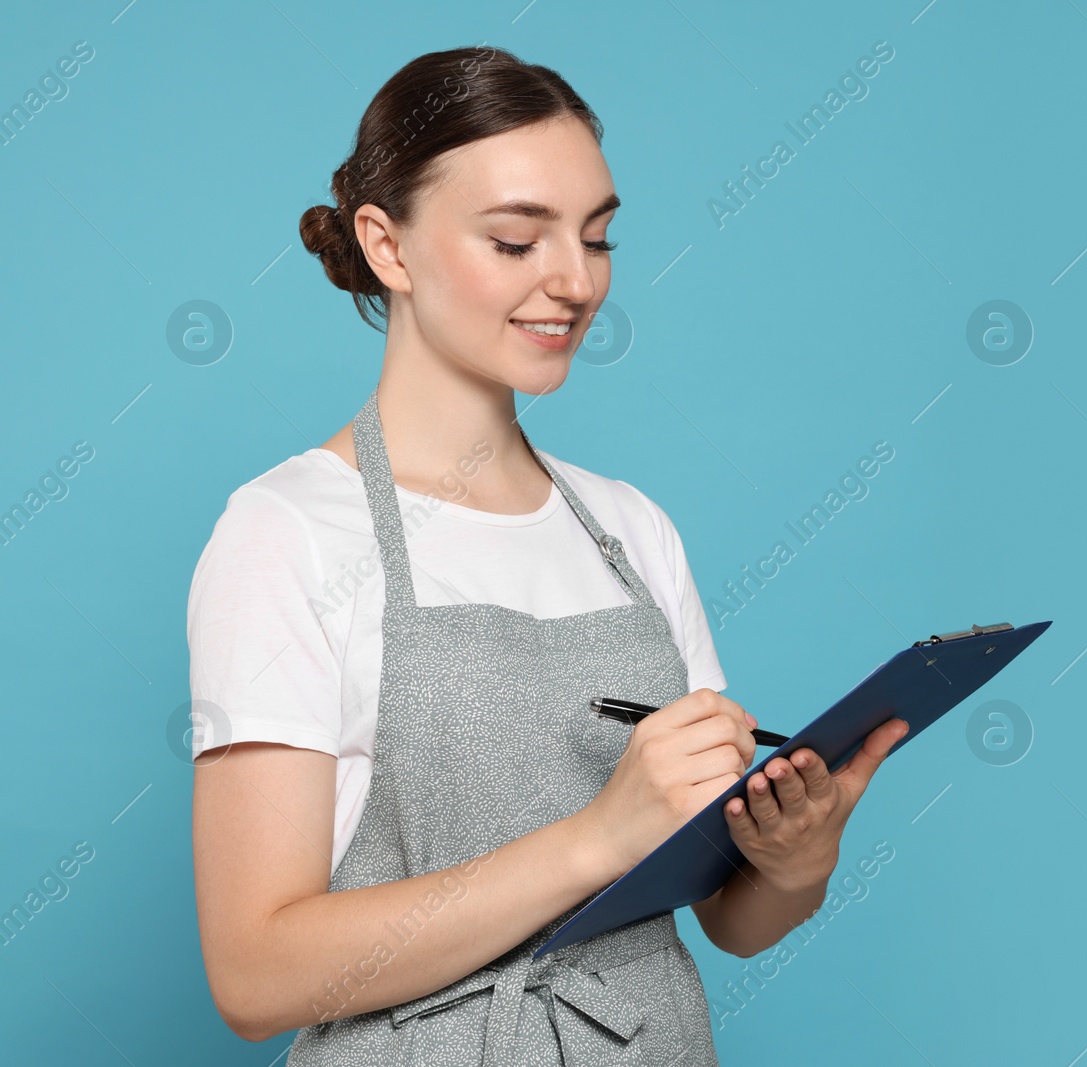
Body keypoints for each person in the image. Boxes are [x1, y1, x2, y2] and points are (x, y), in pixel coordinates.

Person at [185, 44, 909, 1065]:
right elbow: (255, 975)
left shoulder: (628, 530)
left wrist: (792, 859)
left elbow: (730, 921)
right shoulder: (289, 532)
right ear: (387, 247)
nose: (573, 281)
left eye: (597, 237)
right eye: (518, 240)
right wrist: (593, 838)